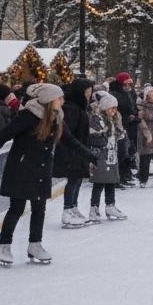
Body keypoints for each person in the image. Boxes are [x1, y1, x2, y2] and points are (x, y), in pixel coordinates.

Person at [0, 83, 98, 266]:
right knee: (16, 209)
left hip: (42, 169)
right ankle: (3, 246)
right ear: (49, 100)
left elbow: (70, 141)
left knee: (39, 208)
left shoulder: (56, 118)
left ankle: (35, 244)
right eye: (59, 98)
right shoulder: (27, 117)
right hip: (21, 168)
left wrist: (90, 156)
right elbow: (3, 136)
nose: (63, 101)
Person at [53, 78, 96, 228]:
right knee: (73, 178)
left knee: (78, 178)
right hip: (72, 151)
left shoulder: (80, 106)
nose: (90, 94)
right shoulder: (72, 108)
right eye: (87, 91)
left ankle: (73, 207)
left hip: (80, 149)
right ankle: (67, 209)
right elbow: (67, 133)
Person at [86, 91, 128, 222]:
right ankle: (94, 208)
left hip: (111, 154)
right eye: (111, 108)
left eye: (115, 108)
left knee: (111, 180)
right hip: (100, 154)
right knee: (99, 182)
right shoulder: (97, 119)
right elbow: (96, 137)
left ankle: (110, 205)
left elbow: (119, 135)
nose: (114, 111)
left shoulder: (114, 120)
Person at [109, 73, 139, 187]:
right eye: (125, 84)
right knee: (121, 152)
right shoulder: (115, 95)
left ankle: (125, 174)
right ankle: (118, 177)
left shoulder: (130, 93)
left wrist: (135, 116)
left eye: (129, 84)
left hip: (130, 126)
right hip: (120, 126)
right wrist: (126, 118)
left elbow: (133, 107)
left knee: (129, 151)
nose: (128, 87)